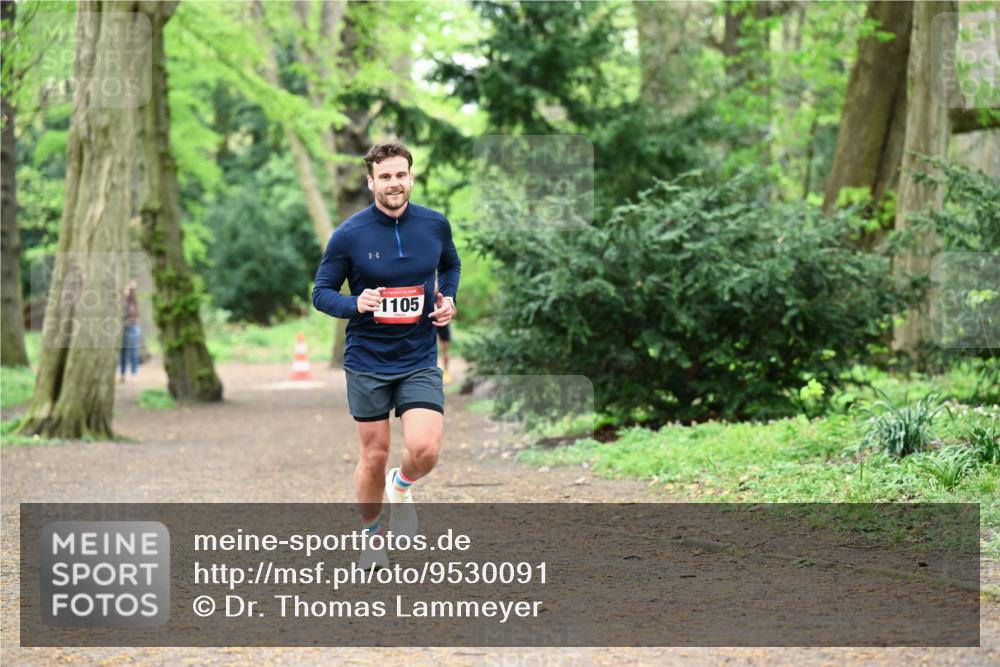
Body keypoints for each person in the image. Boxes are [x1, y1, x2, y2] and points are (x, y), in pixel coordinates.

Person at [312, 142, 460, 570]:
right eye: (385, 176)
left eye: (401, 175)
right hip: (367, 360)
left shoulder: (434, 225)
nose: (394, 183)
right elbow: (321, 293)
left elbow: (451, 265)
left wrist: (447, 297)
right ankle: (372, 536)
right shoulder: (349, 235)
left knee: (425, 448)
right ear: (371, 181)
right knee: (374, 455)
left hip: (417, 356)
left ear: (410, 177)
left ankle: (403, 483)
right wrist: (355, 303)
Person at [119, 281, 140, 383]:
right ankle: (122, 374)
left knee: (133, 351)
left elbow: (135, 314)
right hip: (124, 328)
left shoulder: (134, 302)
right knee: (123, 352)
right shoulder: (123, 302)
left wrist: (131, 288)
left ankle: (134, 373)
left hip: (132, 327)